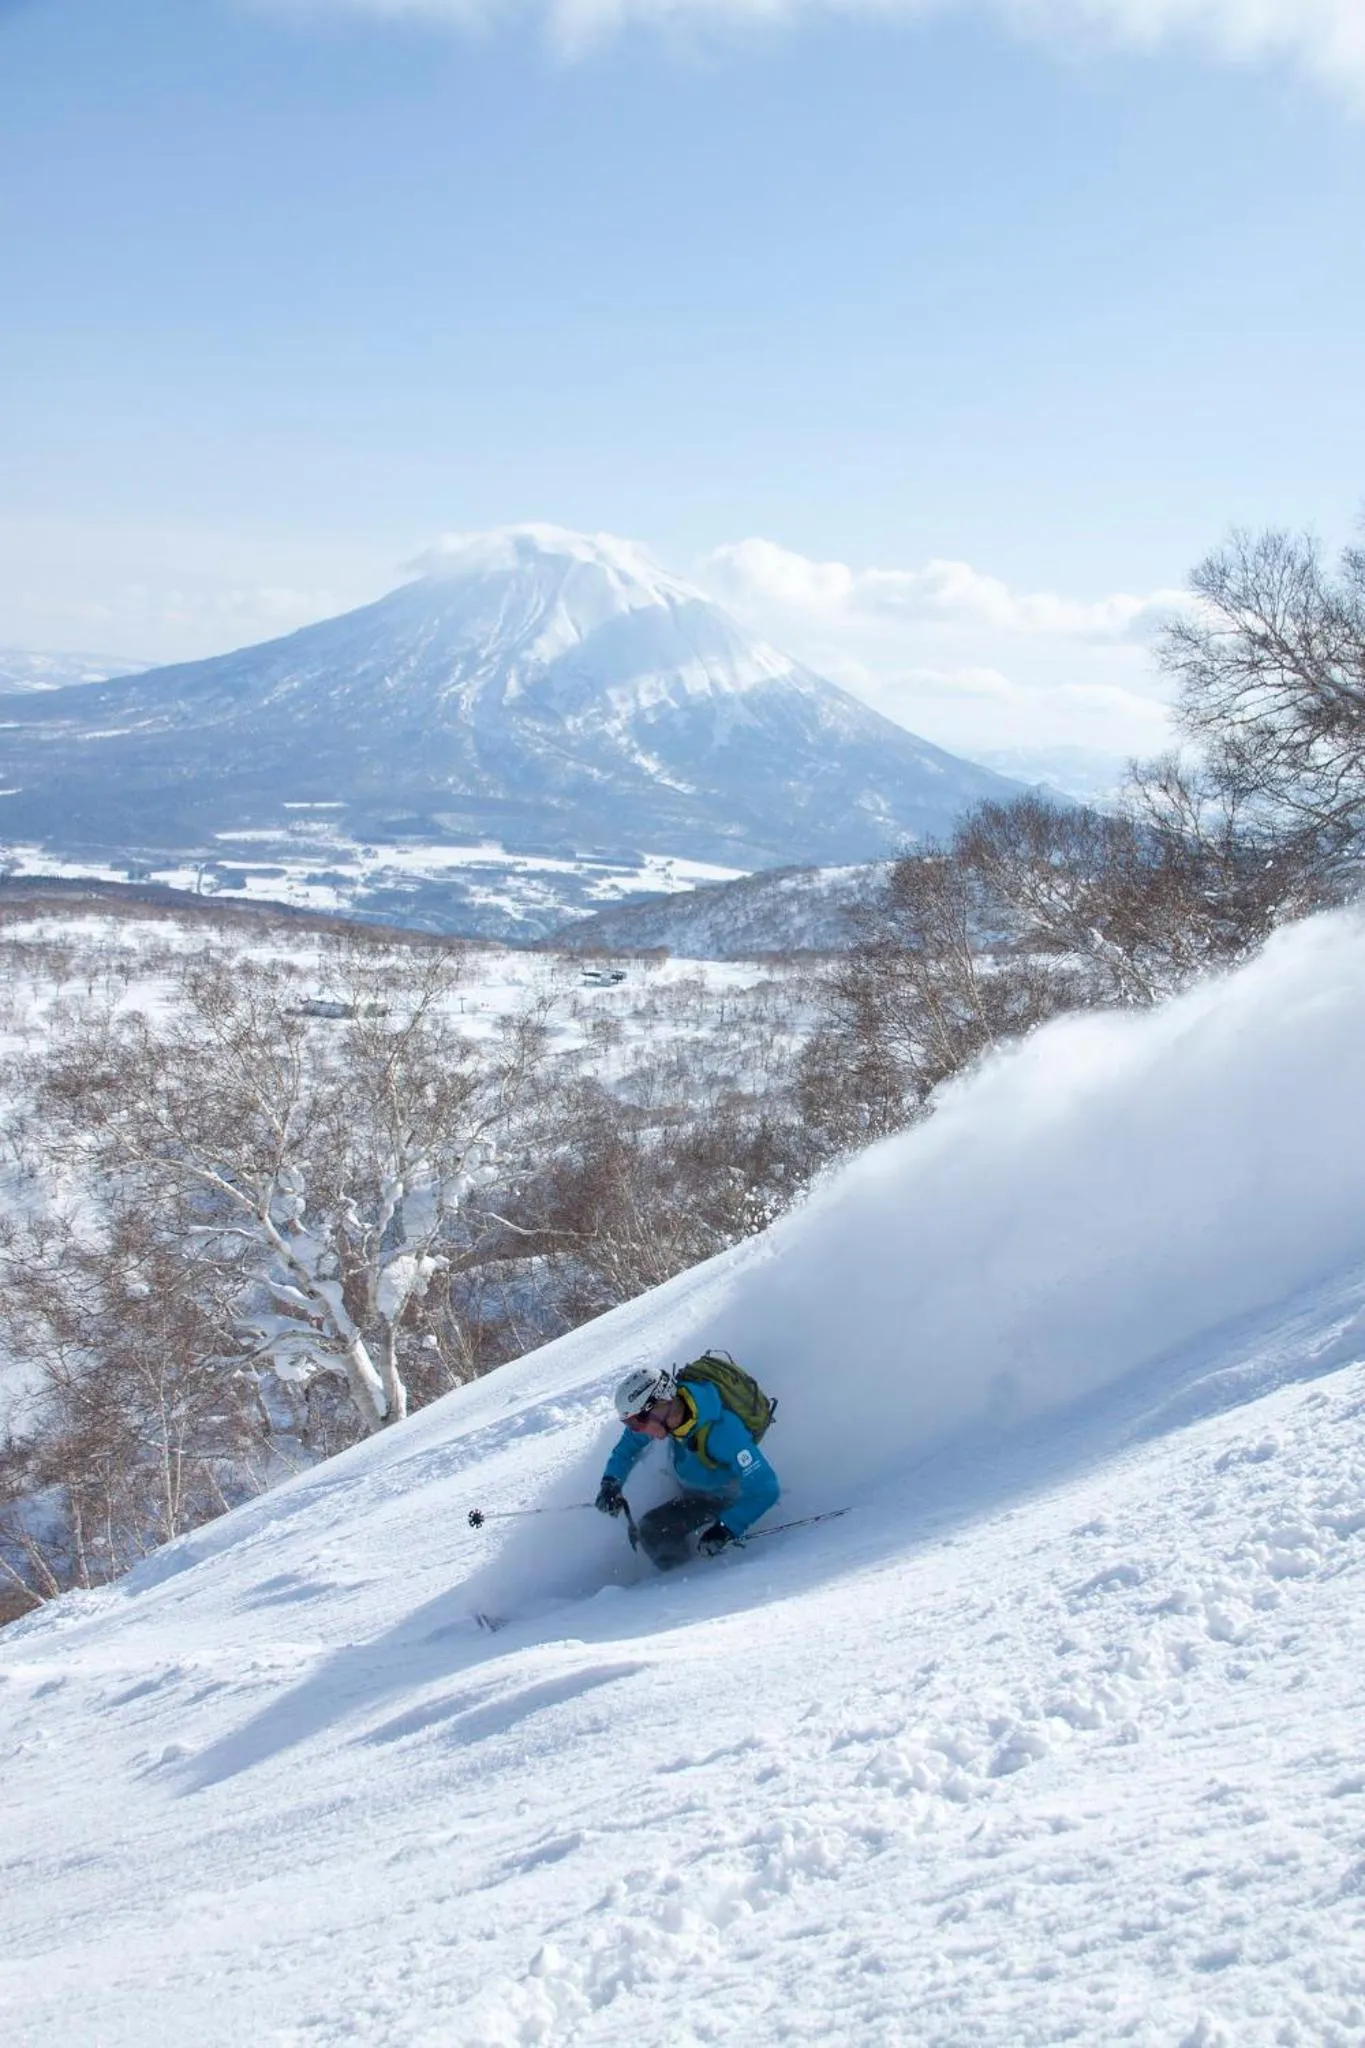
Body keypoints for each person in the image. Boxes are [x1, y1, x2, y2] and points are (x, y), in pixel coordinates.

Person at [595, 1361, 780, 1569]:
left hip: (723, 1499)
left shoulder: (723, 1433)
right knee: (652, 1529)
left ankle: (685, 1587)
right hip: (692, 1487)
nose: (636, 1430)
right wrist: (611, 1481)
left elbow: (766, 1487)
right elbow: (629, 1446)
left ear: (661, 1404)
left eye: (637, 1422)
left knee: (653, 1531)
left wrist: (726, 1528)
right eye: (630, 1424)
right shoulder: (670, 1415)